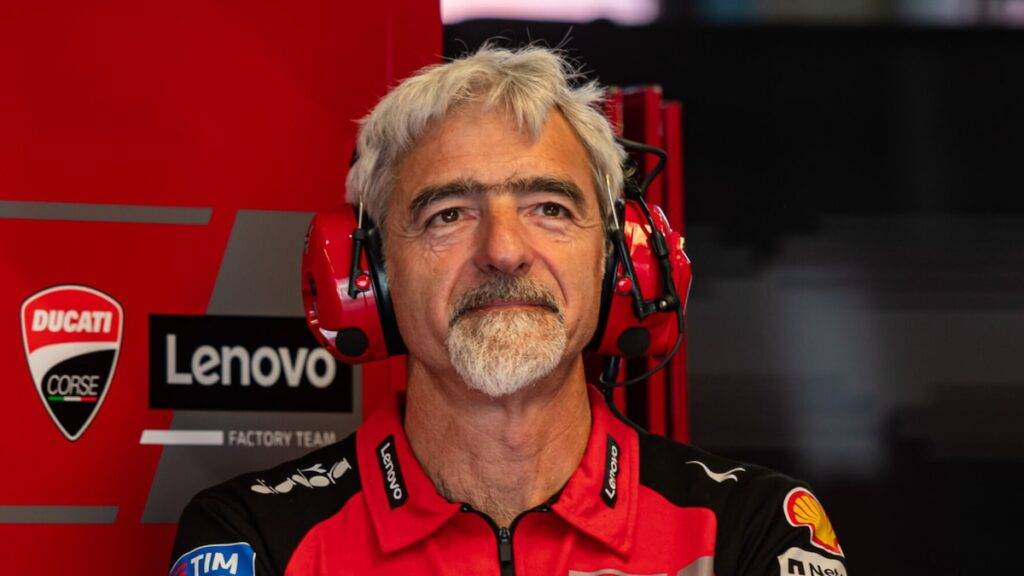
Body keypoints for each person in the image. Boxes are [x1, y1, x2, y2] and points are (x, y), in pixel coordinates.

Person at [169, 45, 848, 576]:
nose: (503, 251)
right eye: (448, 214)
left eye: (549, 208)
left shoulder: (749, 528)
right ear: (370, 274)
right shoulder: (257, 536)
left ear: (620, 260)